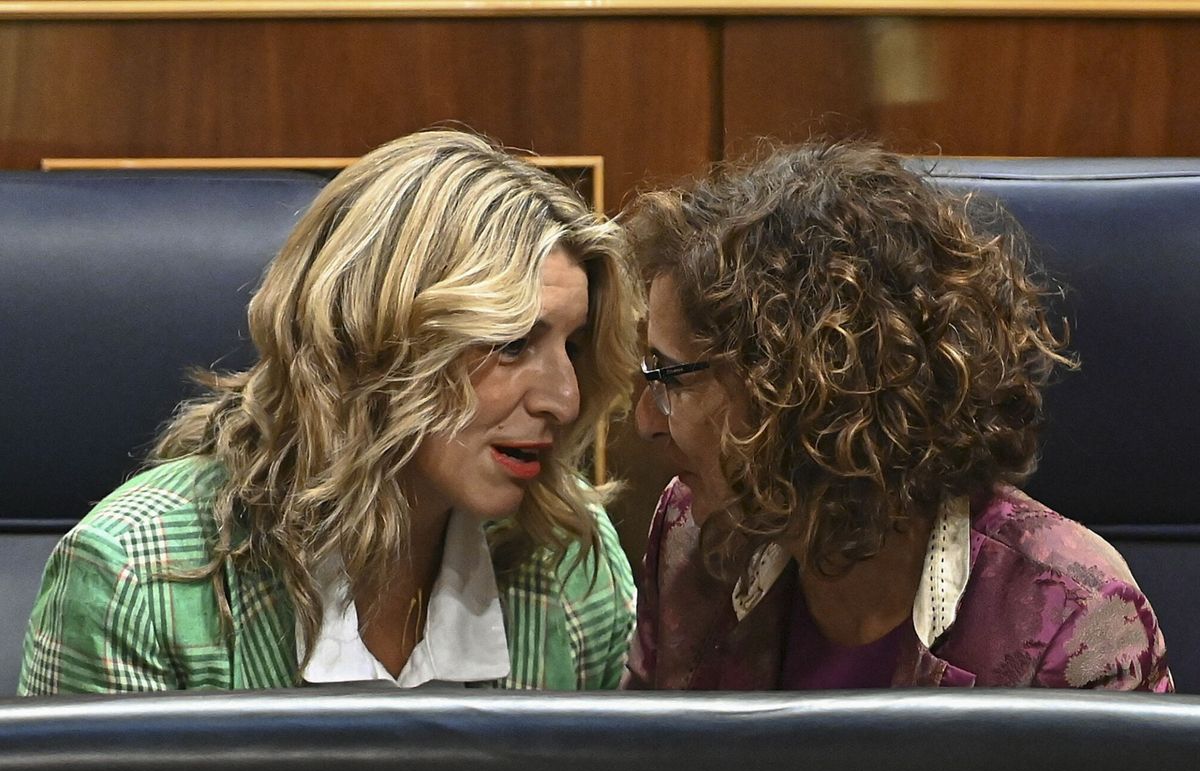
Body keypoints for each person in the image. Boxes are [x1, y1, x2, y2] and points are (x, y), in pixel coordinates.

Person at [20, 130, 641, 694]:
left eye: (574, 347)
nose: (564, 399)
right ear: (371, 341)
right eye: (511, 343)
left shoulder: (569, 557)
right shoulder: (135, 580)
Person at [621, 140, 1172, 691]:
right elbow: (646, 747)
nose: (645, 420)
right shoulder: (692, 536)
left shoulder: (1076, 619)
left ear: (806, 390)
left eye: (673, 377)